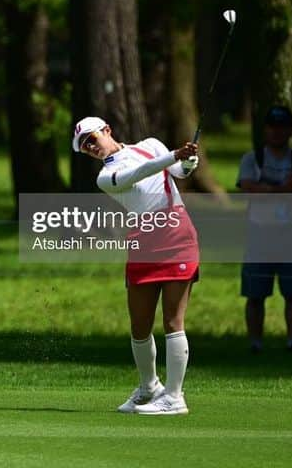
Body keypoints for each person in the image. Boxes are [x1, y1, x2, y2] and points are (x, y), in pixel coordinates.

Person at [73, 116, 200, 416]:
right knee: (139, 326)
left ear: (107, 130)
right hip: (143, 241)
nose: (90, 147)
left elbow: (179, 172)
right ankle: (149, 388)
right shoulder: (106, 176)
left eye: (92, 138)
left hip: (176, 233)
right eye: (84, 146)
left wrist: (189, 160)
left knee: (172, 321)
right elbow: (138, 174)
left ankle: (174, 396)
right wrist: (174, 155)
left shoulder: (151, 145)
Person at [236, 105, 292, 353]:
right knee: (255, 293)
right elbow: (248, 188)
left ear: (291, 130)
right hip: (259, 233)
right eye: (273, 127)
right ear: (265, 130)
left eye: (282, 127)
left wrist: (266, 189)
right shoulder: (252, 159)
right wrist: (284, 189)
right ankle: (255, 344)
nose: (277, 132)